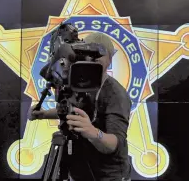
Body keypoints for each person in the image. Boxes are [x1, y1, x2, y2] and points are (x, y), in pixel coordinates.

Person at [28, 32, 132, 181]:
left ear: (110, 59)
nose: (92, 60)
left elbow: (115, 143)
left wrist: (93, 133)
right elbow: (70, 110)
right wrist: (43, 114)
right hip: (79, 172)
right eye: (87, 54)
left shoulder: (116, 95)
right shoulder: (79, 83)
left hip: (108, 176)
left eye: (98, 55)